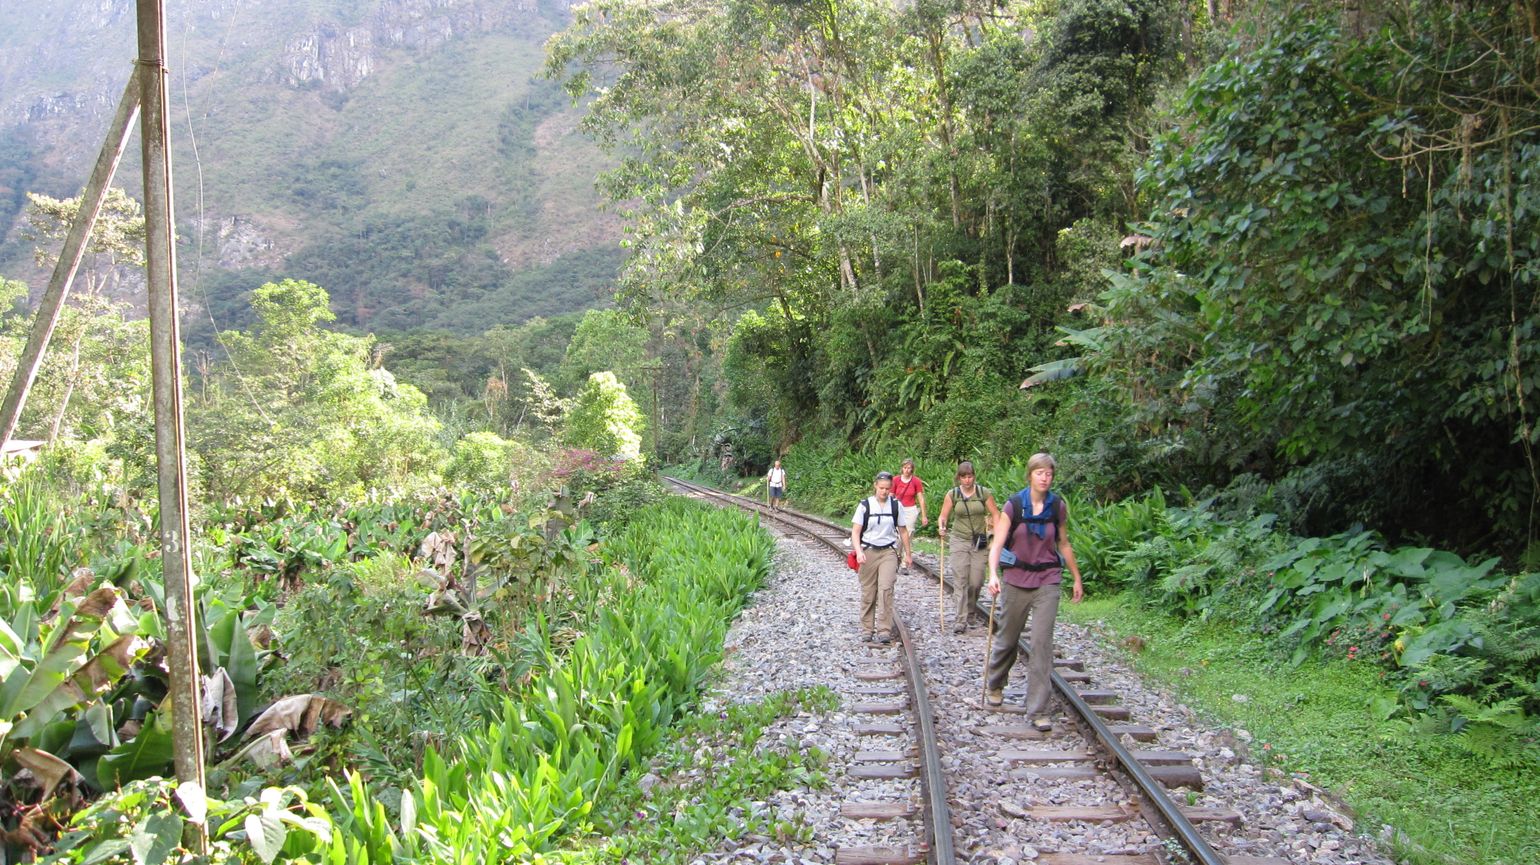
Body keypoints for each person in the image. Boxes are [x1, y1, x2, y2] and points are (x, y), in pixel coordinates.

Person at [984, 453, 1084, 730]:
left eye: (1049, 473)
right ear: (1030, 475)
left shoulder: (1057, 507)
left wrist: (1076, 578)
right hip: (1016, 579)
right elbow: (998, 543)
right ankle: (995, 683)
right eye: (1040, 472)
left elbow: (1063, 543)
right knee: (1007, 639)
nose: (1045, 478)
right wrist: (993, 574)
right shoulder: (1014, 506)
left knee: (1041, 644)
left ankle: (1039, 709)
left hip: (1048, 580)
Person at [937, 461, 1000, 633]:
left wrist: (997, 532)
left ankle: (971, 610)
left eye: (970, 476)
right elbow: (943, 516)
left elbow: (995, 513)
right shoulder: (953, 494)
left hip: (979, 540)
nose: (967, 480)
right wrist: (942, 527)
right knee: (961, 581)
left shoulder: (983, 493)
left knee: (977, 581)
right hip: (959, 540)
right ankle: (961, 619)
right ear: (959, 478)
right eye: (964, 477)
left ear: (974, 476)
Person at [851, 470, 910, 644]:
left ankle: (884, 629)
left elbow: (903, 530)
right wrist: (859, 551)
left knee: (886, 589)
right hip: (868, 551)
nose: (884, 491)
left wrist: (908, 554)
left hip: (889, 552)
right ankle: (867, 629)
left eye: (887, 488)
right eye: (881, 488)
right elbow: (855, 532)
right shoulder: (865, 506)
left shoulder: (895, 506)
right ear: (875, 486)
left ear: (891, 488)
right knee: (869, 592)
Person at [891, 458, 928, 571]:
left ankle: (903, 563)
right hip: (898, 508)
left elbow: (920, 498)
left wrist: (924, 515)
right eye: (905, 468)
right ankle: (897, 555)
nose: (907, 470)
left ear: (912, 469)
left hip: (911, 509)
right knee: (898, 535)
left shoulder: (916, 481)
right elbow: (891, 495)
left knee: (909, 532)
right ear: (902, 468)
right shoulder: (896, 480)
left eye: (909, 468)